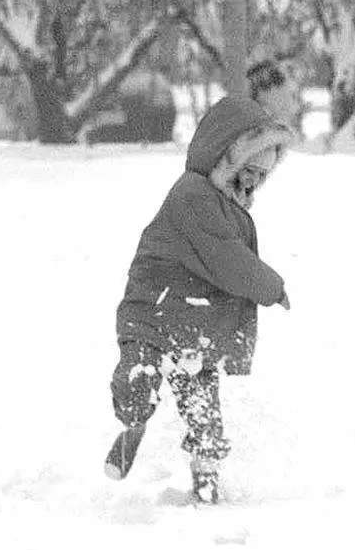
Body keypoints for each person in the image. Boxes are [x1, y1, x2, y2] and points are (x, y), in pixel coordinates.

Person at [103, 95, 293, 504]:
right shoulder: (193, 196)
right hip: (154, 311)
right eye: (247, 172)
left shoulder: (227, 206)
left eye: (261, 176)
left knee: (204, 410)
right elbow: (226, 259)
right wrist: (270, 287)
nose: (252, 184)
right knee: (140, 380)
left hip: (193, 325)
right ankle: (134, 423)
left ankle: (206, 483)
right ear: (224, 159)